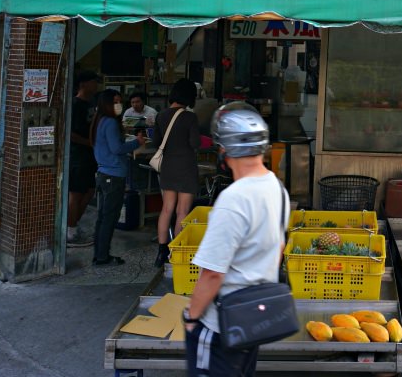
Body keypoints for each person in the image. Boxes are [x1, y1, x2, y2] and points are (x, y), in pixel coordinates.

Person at [182, 103, 289, 377]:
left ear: (224, 150)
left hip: (221, 325)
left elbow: (212, 274)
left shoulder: (233, 199)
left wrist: (192, 317)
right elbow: (278, 248)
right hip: (254, 321)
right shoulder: (276, 187)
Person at [91, 89, 148, 266]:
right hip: (113, 176)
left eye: (119, 101)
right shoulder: (110, 122)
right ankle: (102, 257)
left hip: (104, 174)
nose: (119, 105)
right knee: (109, 218)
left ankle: (100, 254)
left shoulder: (100, 120)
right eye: (115, 102)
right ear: (107, 104)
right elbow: (116, 148)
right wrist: (137, 142)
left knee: (103, 217)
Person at [153, 79, 201, 267]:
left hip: (168, 167)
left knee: (167, 209)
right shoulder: (190, 117)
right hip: (186, 167)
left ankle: (161, 252)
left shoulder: (160, 116)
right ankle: (176, 251)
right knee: (182, 211)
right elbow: (195, 143)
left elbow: (156, 142)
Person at [67, 70, 100, 247]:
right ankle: (70, 232)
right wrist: (90, 143)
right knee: (76, 193)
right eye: (93, 81)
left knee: (89, 191)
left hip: (90, 156)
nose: (96, 85)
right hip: (77, 155)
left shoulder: (92, 103)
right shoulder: (75, 105)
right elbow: (70, 134)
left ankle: (72, 226)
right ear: (83, 84)